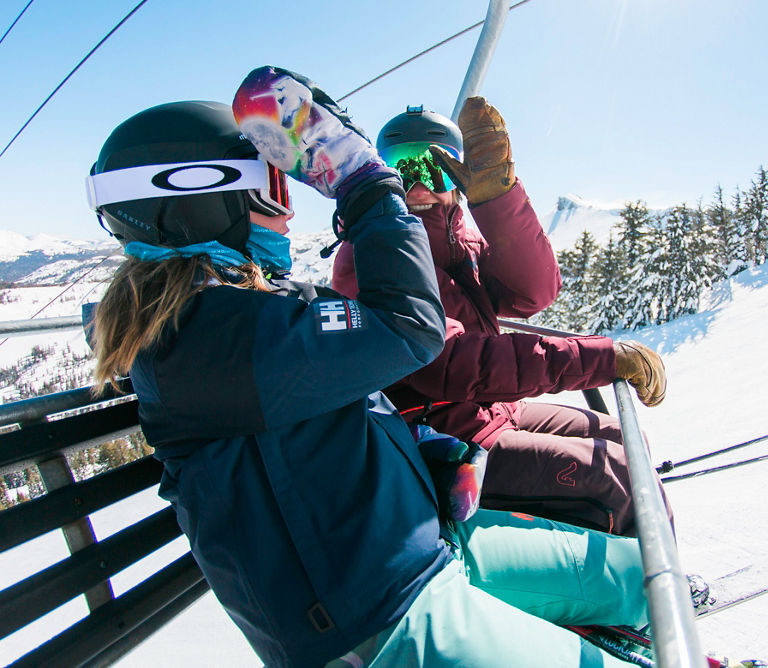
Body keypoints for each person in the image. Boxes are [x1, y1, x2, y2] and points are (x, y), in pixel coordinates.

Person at [85, 67, 657, 668]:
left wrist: (417, 457)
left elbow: (333, 406)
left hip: (422, 549)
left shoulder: (240, 313)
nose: (286, 216)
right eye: (271, 192)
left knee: (641, 575)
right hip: (379, 622)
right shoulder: (202, 341)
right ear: (196, 201)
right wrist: (364, 185)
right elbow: (409, 332)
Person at [331, 99, 669, 537]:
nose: (418, 183)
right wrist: (600, 360)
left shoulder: (460, 242)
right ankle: (647, 596)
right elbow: (448, 362)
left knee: (622, 436)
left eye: (433, 167)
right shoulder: (372, 252)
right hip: (434, 436)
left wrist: (497, 199)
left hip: (488, 411)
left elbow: (533, 291)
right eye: (403, 168)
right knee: (612, 475)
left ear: (457, 176)